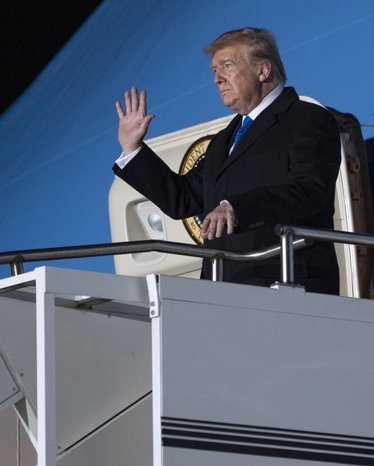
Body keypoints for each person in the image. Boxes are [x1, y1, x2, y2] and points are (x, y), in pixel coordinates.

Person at [113, 27, 341, 294]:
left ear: (262, 71)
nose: (217, 79)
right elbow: (183, 199)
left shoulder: (308, 119)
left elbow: (309, 191)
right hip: (224, 288)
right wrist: (133, 148)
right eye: (214, 70)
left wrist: (237, 208)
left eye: (227, 66)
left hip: (286, 281)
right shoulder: (223, 140)